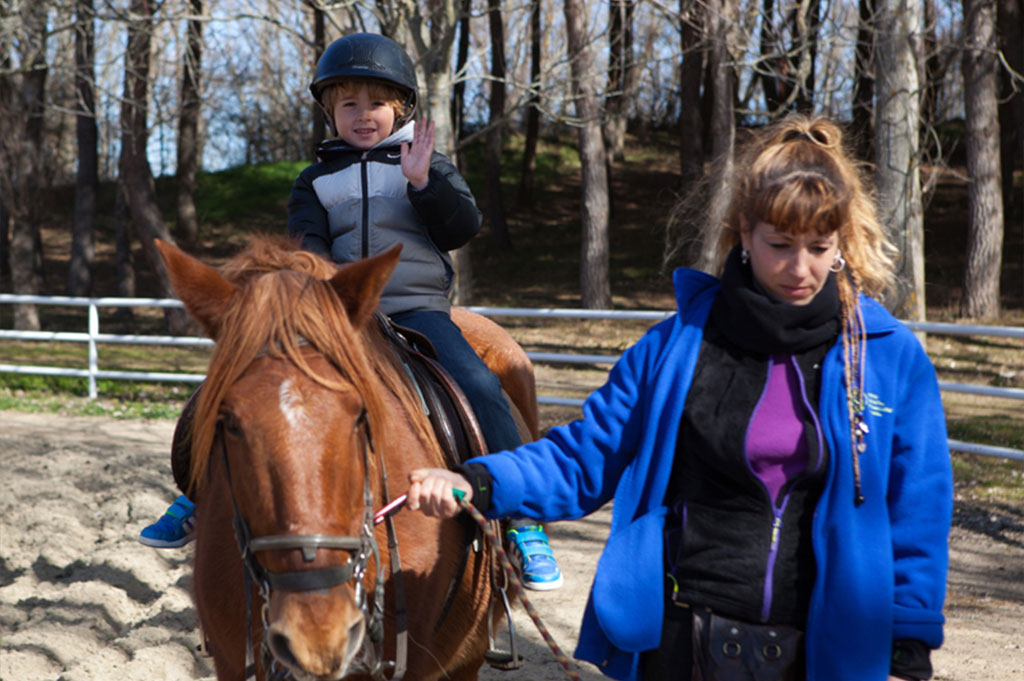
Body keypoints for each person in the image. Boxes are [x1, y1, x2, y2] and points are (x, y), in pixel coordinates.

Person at [405, 115, 952, 681]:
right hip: (681, 645)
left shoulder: (889, 359)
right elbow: (584, 455)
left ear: (842, 242)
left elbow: (917, 511)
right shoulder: (676, 346)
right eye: (781, 245)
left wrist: (906, 653)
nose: (800, 269)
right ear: (744, 231)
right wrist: (480, 481)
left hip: (830, 656)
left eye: (819, 247)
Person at [138, 32, 560, 589]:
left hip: (415, 310)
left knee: (480, 387)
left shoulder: (429, 163)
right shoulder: (314, 181)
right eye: (349, 105)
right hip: (336, 315)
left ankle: (522, 520)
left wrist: (423, 184)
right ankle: (195, 493)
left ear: (401, 108)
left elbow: (463, 228)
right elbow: (306, 246)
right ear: (330, 112)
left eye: (377, 104)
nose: (364, 116)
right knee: (230, 388)